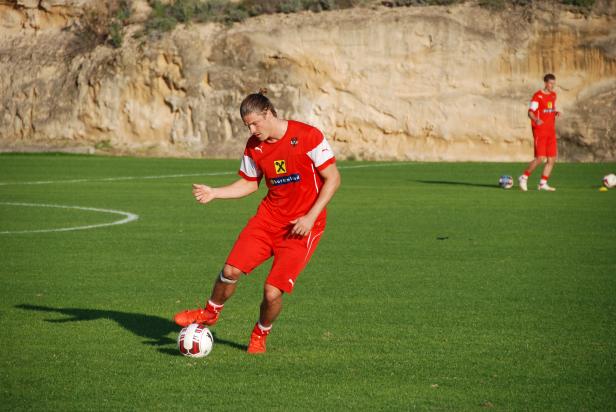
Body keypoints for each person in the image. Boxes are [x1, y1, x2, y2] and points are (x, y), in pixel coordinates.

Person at [174, 89, 341, 354]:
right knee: (230, 271)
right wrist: (216, 192)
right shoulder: (255, 146)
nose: (252, 130)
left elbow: (333, 178)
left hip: (302, 227)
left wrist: (310, 217)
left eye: (255, 123)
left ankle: (260, 333)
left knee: (272, 292)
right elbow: (250, 184)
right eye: (247, 126)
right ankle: (209, 313)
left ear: (270, 113)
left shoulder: (308, 136)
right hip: (268, 220)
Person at [519, 73, 561, 191]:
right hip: (540, 131)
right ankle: (524, 177)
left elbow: (549, 109)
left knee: (551, 159)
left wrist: (555, 112)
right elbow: (530, 112)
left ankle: (542, 184)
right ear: (545, 83)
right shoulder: (537, 96)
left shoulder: (553, 95)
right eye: (550, 83)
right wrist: (536, 119)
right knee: (540, 158)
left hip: (551, 132)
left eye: (554, 83)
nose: (552, 86)